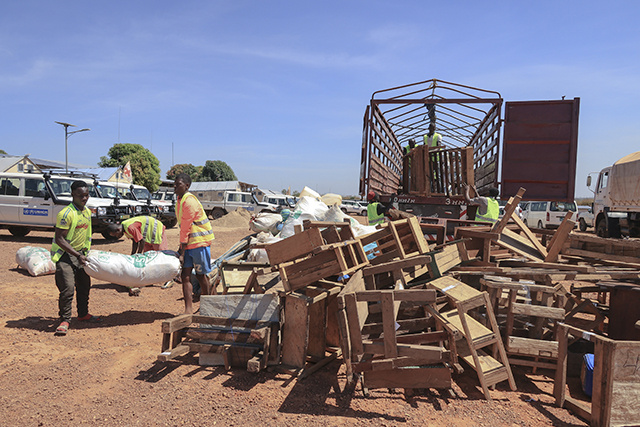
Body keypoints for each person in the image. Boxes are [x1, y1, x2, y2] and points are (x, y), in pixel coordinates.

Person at [51, 180, 99, 336]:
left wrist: (83, 253)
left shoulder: (86, 212)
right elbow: (60, 239)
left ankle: (83, 314)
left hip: (81, 255)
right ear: (73, 194)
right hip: (66, 256)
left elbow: (86, 234)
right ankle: (64, 320)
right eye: (81, 196)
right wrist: (76, 254)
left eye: (86, 195)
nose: (85, 198)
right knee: (68, 289)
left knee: (84, 286)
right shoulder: (66, 214)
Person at [174, 173, 215, 314]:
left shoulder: (189, 201)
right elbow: (182, 228)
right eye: (174, 184)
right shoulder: (180, 201)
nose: (174, 186)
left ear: (187, 186)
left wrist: (182, 251)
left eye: (178, 184)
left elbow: (186, 226)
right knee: (185, 276)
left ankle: (208, 305)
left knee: (200, 275)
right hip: (189, 243)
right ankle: (188, 309)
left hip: (199, 243)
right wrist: (182, 247)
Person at [107, 216, 169, 296]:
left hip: (156, 229)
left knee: (161, 255)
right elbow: (135, 241)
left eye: (116, 235)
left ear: (118, 230)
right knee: (149, 258)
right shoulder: (125, 228)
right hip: (148, 236)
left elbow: (141, 241)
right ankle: (151, 279)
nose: (117, 237)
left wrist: (139, 255)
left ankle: (170, 279)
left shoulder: (129, 227)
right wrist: (132, 256)